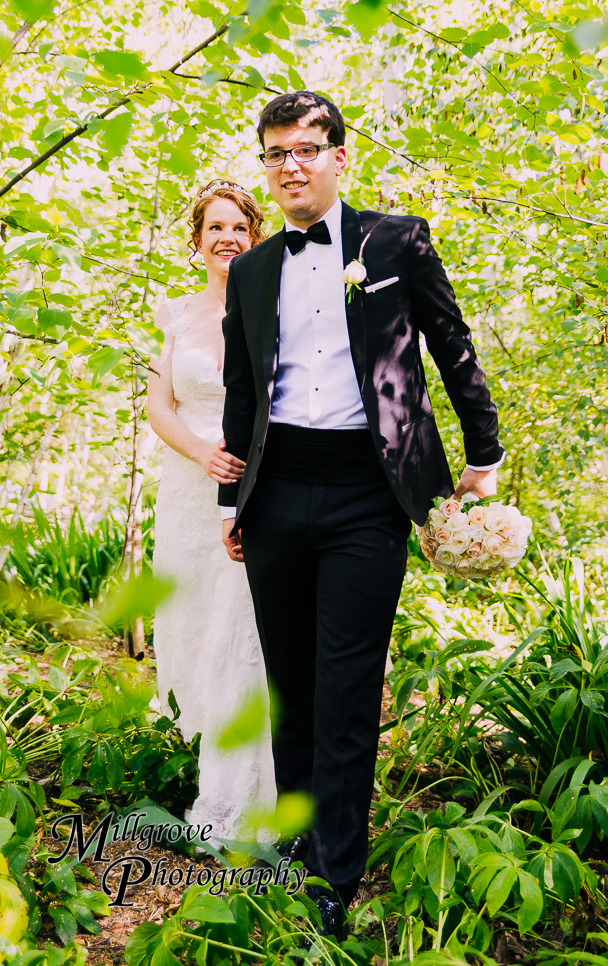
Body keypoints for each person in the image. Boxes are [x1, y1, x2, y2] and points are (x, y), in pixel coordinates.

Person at [218, 92, 504, 934]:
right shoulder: (252, 267)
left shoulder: (396, 240)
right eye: (276, 153)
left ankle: (333, 881)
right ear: (266, 165)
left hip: (367, 499)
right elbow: (243, 391)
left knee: (345, 689)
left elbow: (452, 344)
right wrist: (234, 499)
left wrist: (482, 456)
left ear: (340, 156)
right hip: (275, 498)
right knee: (291, 691)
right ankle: (300, 851)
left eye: (308, 148)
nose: (291, 165)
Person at [148, 180, 276, 846]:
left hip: (255, 497)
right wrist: (202, 452)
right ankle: (200, 754)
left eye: (239, 228)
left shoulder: (274, 307)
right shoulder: (171, 314)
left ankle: (237, 802)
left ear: (255, 237)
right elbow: (158, 406)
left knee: (243, 636)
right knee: (194, 628)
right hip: (189, 494)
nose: (227, 238)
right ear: (196, 239)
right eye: (215, 227)